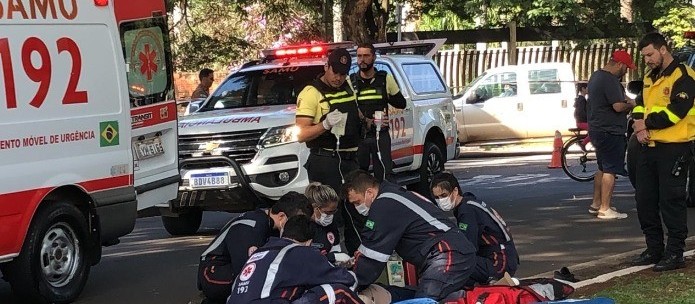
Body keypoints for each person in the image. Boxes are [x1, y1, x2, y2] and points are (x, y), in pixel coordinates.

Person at [344, 170, 476, 301]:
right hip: (449, 252)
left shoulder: (384, 205)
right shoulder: (393, 194)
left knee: (424, 300)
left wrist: (351, 282)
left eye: (357, 202)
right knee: (420, 296)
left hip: (447, 253)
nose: (357, 207)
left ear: (369, 192)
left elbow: (372, 255)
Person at [630, 32, 695, 271]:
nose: (647, 60)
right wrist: (638, 125)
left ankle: (675, 253)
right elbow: (639, 103)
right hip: (648, 146)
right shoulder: (650, 76)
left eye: (650, 54)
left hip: (675, 147)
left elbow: (677, 111)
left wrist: (645, 123)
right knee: (645, 199)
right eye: (644, 56)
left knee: (672, 201)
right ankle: (654, 249)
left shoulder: (684, 76)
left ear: (663, 49)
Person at [295, 47, 364, 255]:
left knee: (356, 213)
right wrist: (324, 125)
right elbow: (301, 133)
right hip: (326, 161)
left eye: (343, 73)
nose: (339, 78)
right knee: (328, 213)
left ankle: (358, 258)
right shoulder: (311, 93)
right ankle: (327, 256)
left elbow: (355, 112)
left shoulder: (348, 85)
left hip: (351, 159)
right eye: (335, 72)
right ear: (326, 66)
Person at [197, 192, 312, 303]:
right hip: (214, 272)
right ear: (281, 216)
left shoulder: (270, 227)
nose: (299, 227)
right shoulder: (251, 226)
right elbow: (245, 269)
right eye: (296, 222)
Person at [227, 215, 363, 304]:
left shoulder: (262, 251)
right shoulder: (300, 252)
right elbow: (346, 279)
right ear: (309, 242)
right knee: (338, 292)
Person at [429, 172, 519, 285]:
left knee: (456, 264)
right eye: (437, 197)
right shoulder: (469, 202)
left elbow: (468, 247)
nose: (441, 200)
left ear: (455, 191)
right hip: (505, 257)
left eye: (444, 195)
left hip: (500, 262)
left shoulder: (467, 211)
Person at [586, 49, 637, 219]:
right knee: (610, 169)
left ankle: (596, 203)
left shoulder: (596, 76)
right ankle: (605, 208)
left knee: (602, 167)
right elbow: (617, 106)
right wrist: (632, 104)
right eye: (626, 67)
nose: (626, 71)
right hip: (610, 130)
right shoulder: (610, 80)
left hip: (597, 128)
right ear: (620, 64)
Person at [351, 43, 407, 182]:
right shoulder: (351, 81)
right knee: (359, 177)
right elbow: (349, 108)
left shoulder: (384, 79)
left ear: (374, 57)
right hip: (360, 137)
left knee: (384, 174)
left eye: (366, 56)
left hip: (380, 134)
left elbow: (401, 103)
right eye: (359, 56)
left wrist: (386, 96)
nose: (362, 60)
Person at [304, 182, 351, 265]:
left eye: (334, 211)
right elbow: (303, 258)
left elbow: (335, 247)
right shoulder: (303, 227)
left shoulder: (331, 223)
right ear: (315, 208)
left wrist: (340, 262)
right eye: (328, 212)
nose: (331, 215)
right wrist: (333, 257)